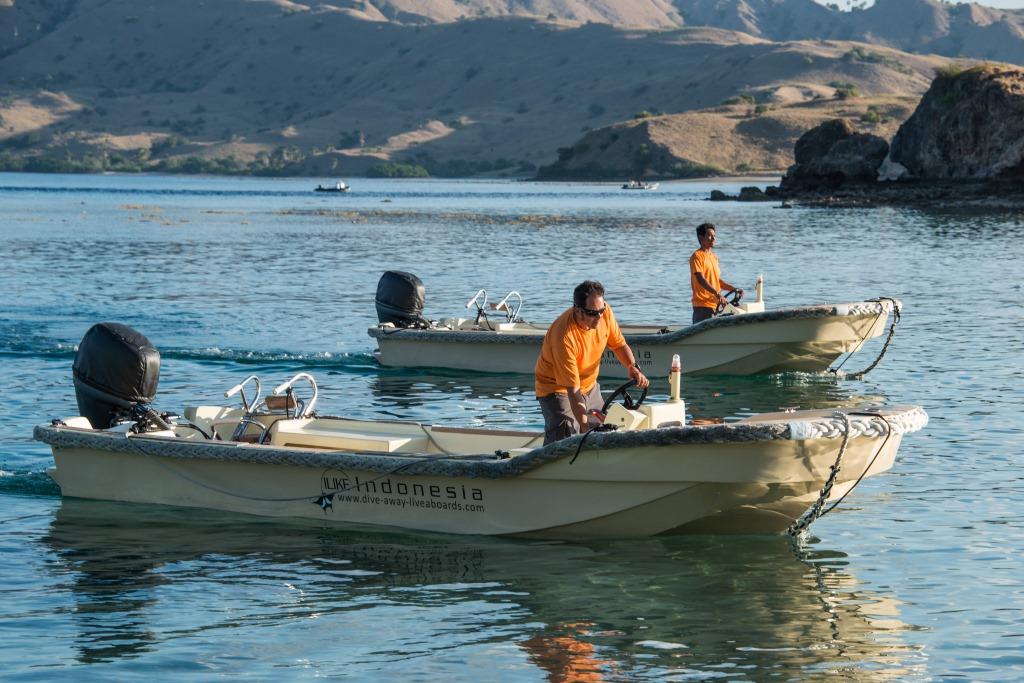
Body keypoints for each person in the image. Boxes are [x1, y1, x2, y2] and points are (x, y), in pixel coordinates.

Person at [535, 280, 650, 445]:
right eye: (592, 313)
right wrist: (584, 425)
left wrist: (632, 367)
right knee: (566, 438)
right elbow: (573, 390)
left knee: (604, 431)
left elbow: (619, 345)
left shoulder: (605, 313)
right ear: (578, 310)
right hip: (556, 389)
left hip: (589, 386)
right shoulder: (564, 336)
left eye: (601, 311)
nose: (599, 317)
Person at [689, 222, 743, 324]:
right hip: (702, 307)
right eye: (709, 236)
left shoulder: (714, 257)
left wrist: (733, 289)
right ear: (701, 238)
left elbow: (718, 281)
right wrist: (716, 293)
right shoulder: (697, 256)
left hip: (715, 305)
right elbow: (700, 279)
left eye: (714, 236)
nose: (713, 239)